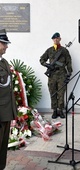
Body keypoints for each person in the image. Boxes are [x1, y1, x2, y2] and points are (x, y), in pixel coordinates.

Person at [40, 32, 73, 119]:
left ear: (60, 39)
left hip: (62, 74)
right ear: (52, 40)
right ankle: (54, 110)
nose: (56, 40)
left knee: (61, 93)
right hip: (52, 74)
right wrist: (47, 65)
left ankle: (61, 110)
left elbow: (69, 62)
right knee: (53, 92)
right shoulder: (49, 50)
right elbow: (41, 59)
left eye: (57, 38)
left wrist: (69, 73)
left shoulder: (64, 50)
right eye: (54, 39)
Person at [0, 29, 17, 170]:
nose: (6, 46)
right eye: (4, 43)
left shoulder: (4, 62)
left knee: (2, 145)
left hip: (5, 111)